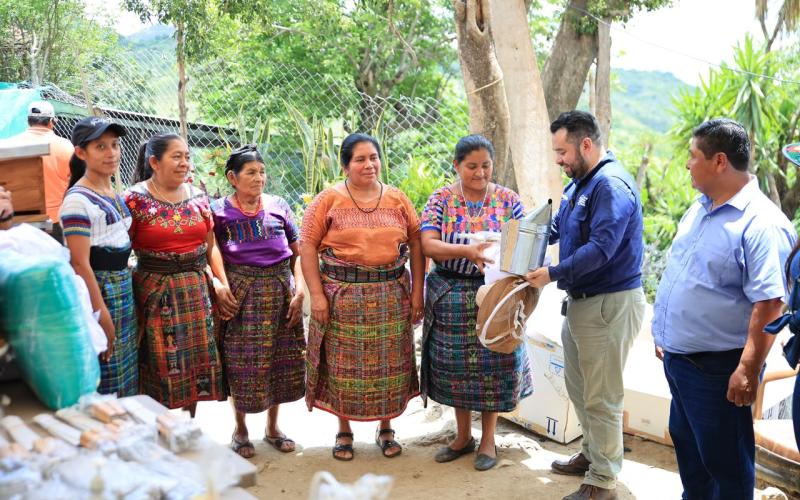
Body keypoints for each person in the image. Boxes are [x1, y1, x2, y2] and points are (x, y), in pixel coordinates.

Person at [652, 119, 796, 500]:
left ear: (719, 161)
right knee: (692, 455)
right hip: (682, 362)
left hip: (719, 369)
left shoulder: (762, 224)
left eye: (692, 156)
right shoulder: (701, 209)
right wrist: (668, 335)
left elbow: (770, 302)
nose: (686, 164)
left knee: (726, 467)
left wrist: (748, 370)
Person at [525, 111, 645, 500]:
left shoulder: (610, 185)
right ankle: (592, 455)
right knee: (580, 389)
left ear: (586, 144)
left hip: (608, 305)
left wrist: (551, 273)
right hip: (581, 304)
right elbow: (559, 227)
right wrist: (515, 237)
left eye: (562, 151)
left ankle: (603, 480)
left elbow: (602, 249)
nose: (558, 159)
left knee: (602, 395)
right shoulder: (581, 184)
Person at [300, 133, 424, 461]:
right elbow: (307, 246)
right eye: (359, 159)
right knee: (342, 367)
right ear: (345, 165)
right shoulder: (328, 200)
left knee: (388, 366)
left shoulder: (398, 199)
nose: (369, 165)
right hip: (342, 297)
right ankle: (344, 430)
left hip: (390, 297)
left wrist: (416, 293)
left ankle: (386, 429)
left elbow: (416, 244)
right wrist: (317, 296)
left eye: (373, 157)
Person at [419, 134, 532, 471]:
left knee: (493, 365)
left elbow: (524, 242)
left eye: (486, 165)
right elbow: (428, 244)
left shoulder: (508, 200)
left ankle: (488, 440)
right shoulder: (441, 199)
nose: (480, 173)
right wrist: (465, 252)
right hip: (451, 292)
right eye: (471, 166)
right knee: (456, 368)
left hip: (496, 293)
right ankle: (463, 436)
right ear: (456, 166)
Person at [125, 133, 237, 415]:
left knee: (197, 359)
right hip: (155, 291)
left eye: (187, 156)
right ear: (154, 161)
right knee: (159, 360)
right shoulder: (134, 200)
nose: (185, 163)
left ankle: (188, 425)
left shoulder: (198, 198)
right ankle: (160, 429)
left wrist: (220, 284)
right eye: (176, 157)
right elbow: (123, 247)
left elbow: (211, 247)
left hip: (196, 291)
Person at [211, 145, 306, 458]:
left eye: (262, 172)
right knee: (241, 360)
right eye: (251, 172)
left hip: (281, 291)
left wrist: (300, 291)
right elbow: (211, 253)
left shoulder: (278, 205)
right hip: (241, 294)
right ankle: (240, 429)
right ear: (232, 178)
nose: (259, 178)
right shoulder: (219, 211)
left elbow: (298, 253)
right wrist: (222, 286)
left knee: (279, 358)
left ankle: (273, 427)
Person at [59, 117, 138, 395]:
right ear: (81, 153)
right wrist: (100, 312)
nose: (111, 153)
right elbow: (80, 263)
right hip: (102, 291)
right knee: (109, 369)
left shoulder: (110, 191)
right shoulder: (77, 201)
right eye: (101, 147)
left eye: (115, 145)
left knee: (126, 372)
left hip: (122, 287)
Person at [2, 101, 73, 239]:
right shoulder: (66, 147)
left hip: (17, 221)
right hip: (55, 221)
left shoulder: (8, 146)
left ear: (29, 121)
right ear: (51, 122)